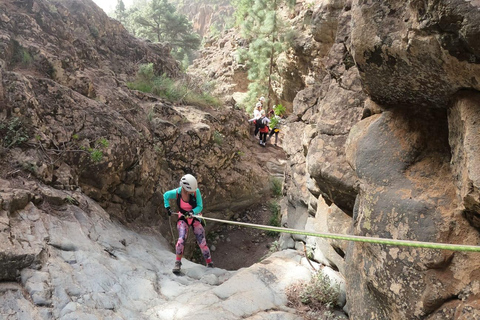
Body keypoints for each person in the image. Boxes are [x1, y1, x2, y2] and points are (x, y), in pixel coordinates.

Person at [163, 174, 213, 273]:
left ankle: (209, 263)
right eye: (191, 190)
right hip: (183, 218)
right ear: (185, 188)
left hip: (195, 217)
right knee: (181, 239)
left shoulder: (196, 192)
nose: (194, 191)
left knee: (202, 242)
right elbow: (165, 196)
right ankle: (177, 263)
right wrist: (167, 207)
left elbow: (200, 206)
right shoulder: (177, 193)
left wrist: (192, 212)